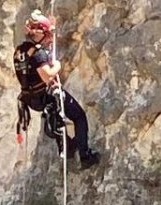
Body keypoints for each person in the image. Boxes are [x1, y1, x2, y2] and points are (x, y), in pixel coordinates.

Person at [13, 10, 101, 170]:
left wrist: (50, 25)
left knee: (56, 120)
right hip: (45, 95)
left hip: (31, 98)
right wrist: (57, 66)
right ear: (39, 34)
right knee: (79, 116)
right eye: (46, 34)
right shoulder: (38, 53)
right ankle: (85, 155)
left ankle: (69, 144)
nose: (48, 38)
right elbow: (47, 76)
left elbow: (34, 62)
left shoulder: (20, 51)